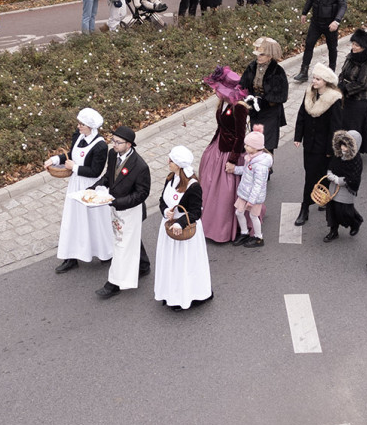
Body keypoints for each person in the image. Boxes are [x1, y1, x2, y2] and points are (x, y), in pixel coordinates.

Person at [44, 108, 113, 273]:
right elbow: (71, 155)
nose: (78, 126)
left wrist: (74, 167)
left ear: (90, 126)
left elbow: (96, 171)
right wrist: (54, 159)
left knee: (95, 220)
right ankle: (71, 256)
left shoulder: (101, 146)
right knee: (73, 220)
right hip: (76, 184)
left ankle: (105, 252)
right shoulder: (78, 136)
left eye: (82, 124)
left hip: (90, 186)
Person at [93, 126, 151, 299]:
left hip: (130, 210)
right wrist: (94, 188)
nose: (114, 145)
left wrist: (117, 202)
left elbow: (142, 194)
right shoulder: (113, 155)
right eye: (113, 141)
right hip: (116, 206)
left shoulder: (140, 166)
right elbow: (108, 176)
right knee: (126, 239)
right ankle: (143, 265)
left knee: (121, 244)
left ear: (129, 144)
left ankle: (114, 283)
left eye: (118, 142)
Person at [154, 145, 213, 311]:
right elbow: (162, 200)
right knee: (170, 263)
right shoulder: (170, 178)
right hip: (169, 228)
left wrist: (180, 223)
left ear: (179, 164)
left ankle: (190, 295)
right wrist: (166, 211)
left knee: (185, 264)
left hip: (185, 231)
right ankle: (170, 293)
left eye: (171, 160)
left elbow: (196, 212)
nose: (168, 162)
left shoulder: (193, 186)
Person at [199, 65, 249, 242]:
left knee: (227, 193)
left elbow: (240, 136)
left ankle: (228, 226)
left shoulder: (240, 107)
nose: (216, 92)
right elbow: (221, 127)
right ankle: (209, 221)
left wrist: (233, 160)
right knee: (210, 185)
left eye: (218, 89)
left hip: (230, 152)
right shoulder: (223, 103)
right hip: (218, 147)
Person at [293, 62, 343, 226]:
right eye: (314, 78)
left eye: (317, 79)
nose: (313, 81)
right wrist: (298, 137)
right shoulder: (309, 94)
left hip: (323, 148)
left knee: (320, 175)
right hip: (309, 145)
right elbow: (302, 115)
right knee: (310, 174)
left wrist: (331, 149)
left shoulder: (333, 99)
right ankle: (316, 200)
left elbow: (335, 127)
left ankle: (305, 208)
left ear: (326, 82)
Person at [293, 0, 347, 83]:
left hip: (330, 24)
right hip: (316, 22)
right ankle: (304, 71)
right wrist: (304, 12)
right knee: (309, 45)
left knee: (332, 48)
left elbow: (343, 6)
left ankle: (331, 72)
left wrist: (336, 21)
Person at [239, 37, 288, 157]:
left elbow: (281, 96)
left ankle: (266, 169)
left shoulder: (278, 71)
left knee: (267, 143)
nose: (259, 57)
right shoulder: (252, 67)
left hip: (270, 113)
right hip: (255, 112)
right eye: (258, 54)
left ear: (270, 56)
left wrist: (263, 102)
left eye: (262, 54)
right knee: (254, 141)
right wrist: (247, 100)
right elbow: (243, 85)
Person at [227, 125, 273, 248]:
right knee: (238, 212)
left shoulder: (261, 165)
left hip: (254, 197)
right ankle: (244, 232)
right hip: (244, 193)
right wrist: (235, 170)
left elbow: (259, 184)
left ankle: (258, 237)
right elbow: (246, 171)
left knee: (253, 216)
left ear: (256, 147)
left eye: (248, 145)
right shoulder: (250, 159)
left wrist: (252, 200)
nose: (245, 147)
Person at [338, 28, 367, 154]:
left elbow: (362, 83)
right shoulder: (350, 56)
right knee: (343, 123)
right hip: (346, 98)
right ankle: (343, 149)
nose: (353, 47)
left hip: (358, 101)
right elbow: (343, 72)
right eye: (353, 43)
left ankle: (353, 153)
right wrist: (339, 82)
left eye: (357, 45)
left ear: (364, 47)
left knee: (355, 127)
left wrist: (346, 88)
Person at [324, 130, 363, 242]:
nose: (342, 147)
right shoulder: (338, 154)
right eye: (342, 144)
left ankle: (355, 222)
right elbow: (332, 165)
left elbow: (354, 178)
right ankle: (333, 231)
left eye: (346, 145)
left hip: (345, 189)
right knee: (332, 209)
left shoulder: (356, 160)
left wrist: (338, 180)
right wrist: (330, 173)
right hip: (333, 187)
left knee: (345, 211)